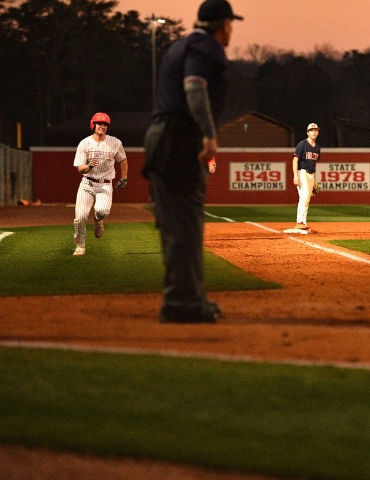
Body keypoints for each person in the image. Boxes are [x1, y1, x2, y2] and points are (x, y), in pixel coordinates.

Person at [142, 0, 243, 323]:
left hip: (164, 138)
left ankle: (188, 297)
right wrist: (209, 134)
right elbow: (194, 88)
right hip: (178, 139)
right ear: (222, 25)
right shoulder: (206, 47)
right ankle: (182, 302)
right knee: (185, 224)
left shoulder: (180, 45)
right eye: (230, 24)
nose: (231, 30)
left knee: (178, 223)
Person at [72, 112, 128, 256]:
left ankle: (98, 220)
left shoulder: (115, 142)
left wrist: (124, 178)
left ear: (108, 127)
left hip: (105, 185)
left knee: (102, 211)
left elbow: (122, 159)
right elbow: (80, 168)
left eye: (105, 124)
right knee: (80, 217)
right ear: (93, 124)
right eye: (99, 123)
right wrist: (89, 166)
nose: (102, 126)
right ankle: (80, 246)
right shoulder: (84, 143)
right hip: (87, 184)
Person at [292, 122, 321, 230]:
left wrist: (314, 180)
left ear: (318, 133)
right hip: (302, 172)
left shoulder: (317, 147)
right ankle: (299, 222)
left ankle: (303, 222)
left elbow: (314, 163)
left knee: (307, 198)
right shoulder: (302, 144)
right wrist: (296, 176)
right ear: (308, 133)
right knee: (304, 196)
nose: (314, 132)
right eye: (311, 130)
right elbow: (295, 160)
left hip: (311, 174)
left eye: (315, 130)